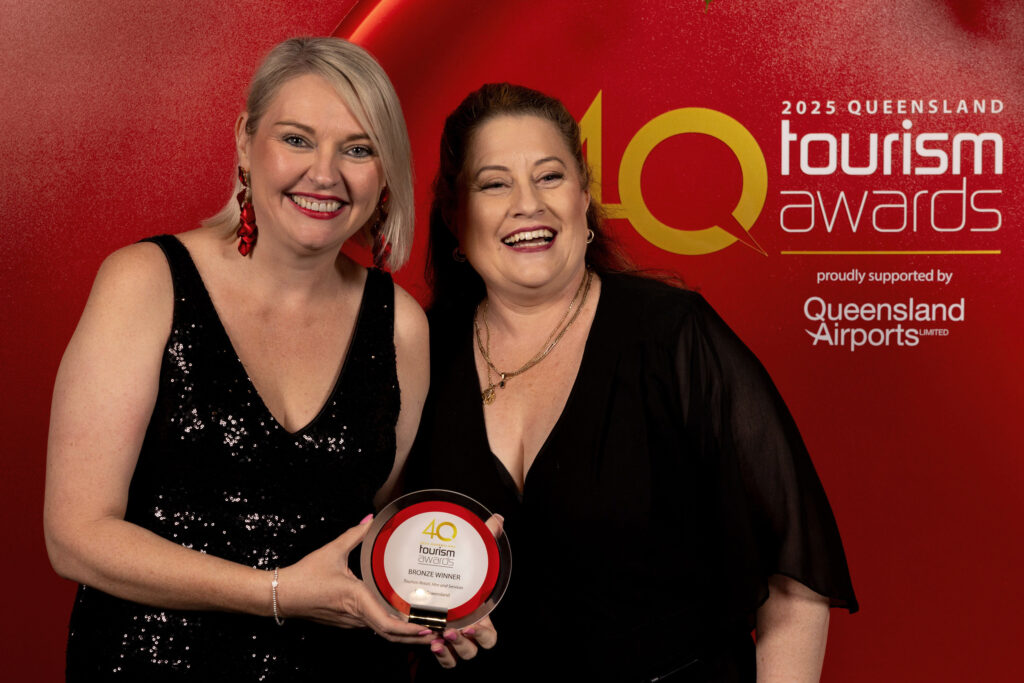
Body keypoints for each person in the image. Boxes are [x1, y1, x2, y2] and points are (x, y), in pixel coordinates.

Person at [405, 83, 858, 682]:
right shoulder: (416, 353)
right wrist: (426, 616)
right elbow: (391, 556)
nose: (528, 204)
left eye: (550, 177)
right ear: (455, 216)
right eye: (494, 184)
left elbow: (795, 581)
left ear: (584, 199)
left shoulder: (672, 335)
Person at [44, 37, 436, 681]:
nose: (326, 174)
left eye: (359, 149)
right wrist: (277, 591)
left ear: (386, 171)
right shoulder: (146, 282)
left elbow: (379, 539)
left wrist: (444, 606)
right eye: (297, 139)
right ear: (245, 143)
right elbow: (75, 535)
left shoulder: (403, 328)